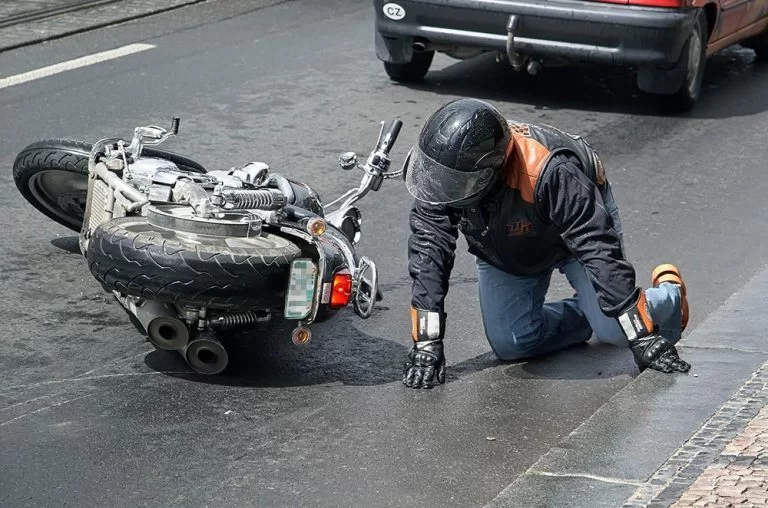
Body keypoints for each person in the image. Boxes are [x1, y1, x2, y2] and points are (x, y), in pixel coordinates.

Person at [401, 98, 690, 389]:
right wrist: (427, 341)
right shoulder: (442, 175)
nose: (445, 188)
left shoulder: (553, 171)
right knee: (511, 344)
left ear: (490, 173)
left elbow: (596, 247)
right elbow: (429, 249)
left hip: (574, 239)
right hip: (507, 245)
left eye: (456, 183)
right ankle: (593, 310)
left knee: (615, 332)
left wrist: (641, 335)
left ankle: (669, 297)